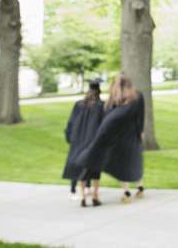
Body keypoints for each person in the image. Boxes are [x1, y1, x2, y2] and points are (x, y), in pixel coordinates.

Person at [76, 74, 145, 203]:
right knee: (135, 159)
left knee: (123, 162)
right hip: (131, 134)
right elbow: (140, 116)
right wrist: (140, 131)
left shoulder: (113, 99)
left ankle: (126, 191)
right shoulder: (137, 96)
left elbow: (108, 118)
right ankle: (140, 186)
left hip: (119, 135)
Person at [62, 79, 104, 207]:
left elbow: (70, 123)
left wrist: (70, 138)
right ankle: (95, 197)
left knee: (82, 170)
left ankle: (83, 197)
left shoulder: (78, 104)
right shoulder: (101, 105)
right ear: (99, 91)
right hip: (94, 142)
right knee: (95, 170)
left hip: (79, 142)